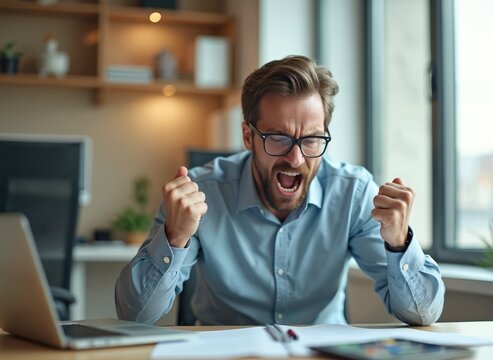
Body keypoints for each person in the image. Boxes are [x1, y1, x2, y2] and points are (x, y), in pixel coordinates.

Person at [115, 55, 445, 326]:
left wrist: (399, 243)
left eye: (312, 138)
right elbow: (135, 315)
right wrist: (174, 237)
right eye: (278, 137)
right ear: (248, 137)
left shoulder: (354, 193)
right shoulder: (201, 194)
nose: (295, 157)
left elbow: (423, 314)